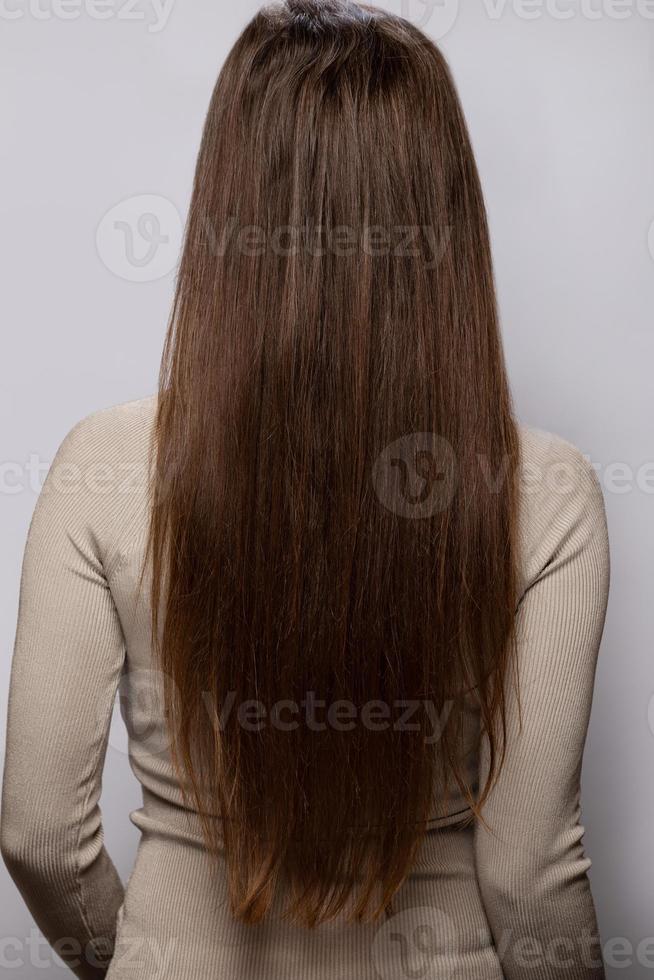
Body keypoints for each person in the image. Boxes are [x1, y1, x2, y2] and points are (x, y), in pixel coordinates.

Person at [1, 1, 610, 977]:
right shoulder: (545, 489)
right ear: (445, 214)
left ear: (226, 199)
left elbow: (36, 830)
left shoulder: (101, 462)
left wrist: (150, 957)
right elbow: (530, 869)